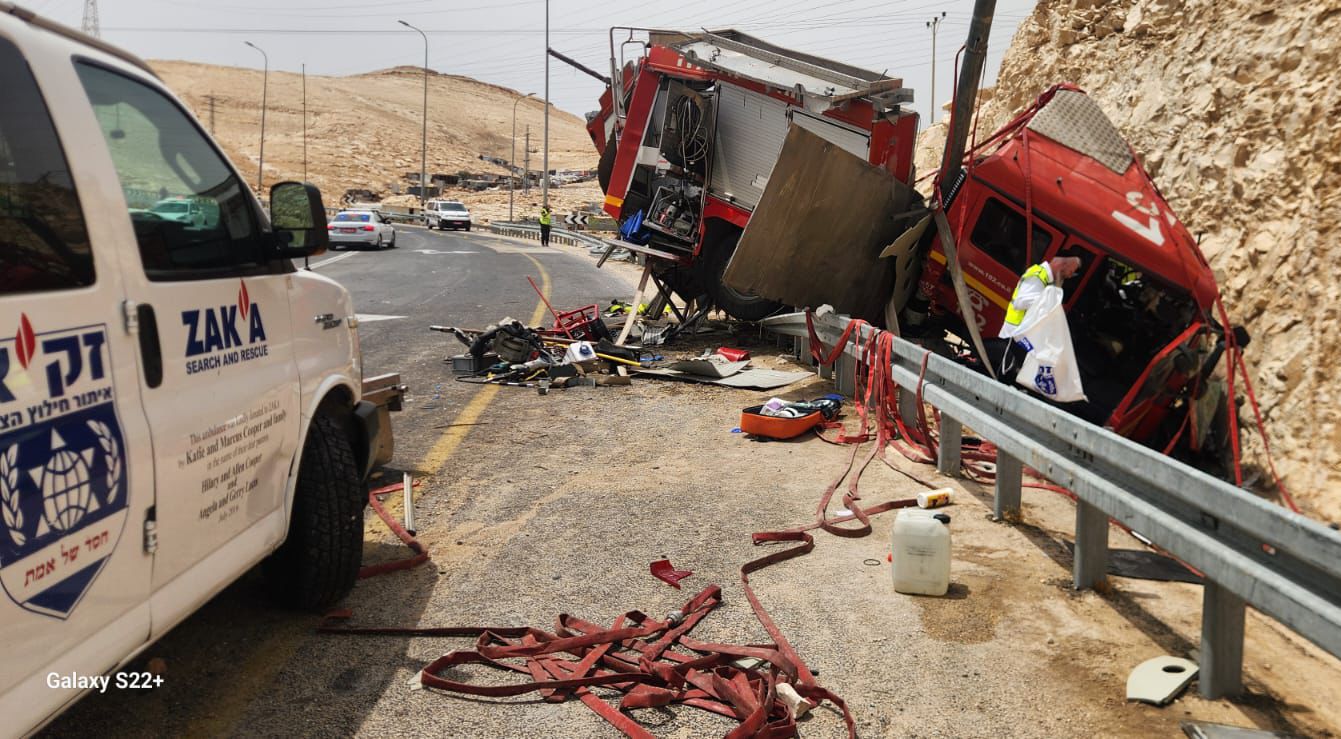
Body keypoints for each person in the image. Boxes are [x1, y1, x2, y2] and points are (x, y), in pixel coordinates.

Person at [989, 255, 1083, 375]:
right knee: (1000, 374)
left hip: (1021, 338)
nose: (1069, 276)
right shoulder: (1038, 276)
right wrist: (1047, 304)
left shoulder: (1047, 280)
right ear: (1062, 265)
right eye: (1070, 271)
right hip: (1014, 336)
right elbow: (1020, 302)